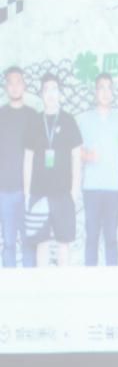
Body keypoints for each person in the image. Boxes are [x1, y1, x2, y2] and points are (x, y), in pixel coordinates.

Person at [22, 74, 82, 268]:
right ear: (41, 93)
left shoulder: (69, 121)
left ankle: (63, 283)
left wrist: (74, 191)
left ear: (60, 93)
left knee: (64, 242)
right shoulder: (34, 121)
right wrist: (27, 192)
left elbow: (76, 157)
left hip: (63, 193)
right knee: (42, 243)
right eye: (46, 89)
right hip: (38, 192)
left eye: (54, 89)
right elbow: (28, 159)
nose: (51, 93)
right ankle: (43, 284)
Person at [77, 72, 118, 267]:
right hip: (91, 187)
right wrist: (86, 155)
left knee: (111, 238)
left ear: (113, 92)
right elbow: (76, 151)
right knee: (91, 237)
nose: (105, 92)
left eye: (109, 88)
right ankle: (90, 281)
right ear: (95, 91)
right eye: (101, 87)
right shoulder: (84, 120)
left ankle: (113, 281)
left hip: (114, 188)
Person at [1, 66, 39, 268]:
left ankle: (30, 286)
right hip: (4, 191)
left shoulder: (33, 116)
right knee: (8, 243)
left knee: (29, 243)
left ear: (24, 85)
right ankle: (7, 285)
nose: (15, 86)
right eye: (11, 83)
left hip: (28, 191)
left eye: (18, 82)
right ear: (5, 87)